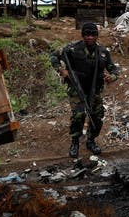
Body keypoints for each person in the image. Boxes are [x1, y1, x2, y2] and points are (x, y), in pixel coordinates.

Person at [50, 22, 119, 158]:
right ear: (82, 35)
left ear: (97, 36)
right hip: (77, 88)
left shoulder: (103, 52)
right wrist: (61, 70)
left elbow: (114, 69)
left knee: (97, 117)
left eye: (93, 34)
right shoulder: (72, 49)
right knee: (78, 115)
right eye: (87, 34)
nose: (90, 37)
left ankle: (91, 141)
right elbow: (53, 56)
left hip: (95, 89)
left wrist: (112, 76)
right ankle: (75, 142)